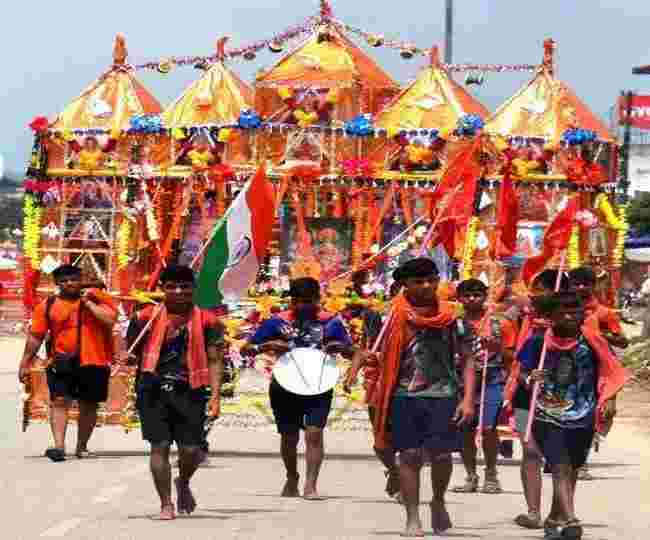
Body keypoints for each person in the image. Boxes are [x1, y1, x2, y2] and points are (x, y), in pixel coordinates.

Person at [363, 258, 476, 537]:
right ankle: (412, 517)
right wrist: (368, 361)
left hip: (444, 394)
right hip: (402, 395)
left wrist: (467, 400)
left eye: (431, 280)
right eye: (419, 282)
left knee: (442, 456)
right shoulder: (386, 315)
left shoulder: (454, 315)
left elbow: (468, 358)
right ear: (405, 284)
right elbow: (371, 351)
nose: (427, 286)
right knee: (409, 455)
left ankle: (438, 500)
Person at [518, 292, 627, 539]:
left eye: (575, 311)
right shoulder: (538, 342)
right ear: (551, 316)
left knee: (572, 468)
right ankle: (571, 519)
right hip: (547, 413)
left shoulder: (593, 341)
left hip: (583, 413)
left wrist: (610, 399)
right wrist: (530, 378)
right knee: (560, 465)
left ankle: (554, 518)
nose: (570, 316)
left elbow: (610, 371)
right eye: (563, 312)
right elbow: (521, 373)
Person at [241, 277, 357, 500]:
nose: (304, 305)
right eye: (299, 301)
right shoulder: (276, 322)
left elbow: (350, 350)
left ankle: (310, 485)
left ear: (318, 299)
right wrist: (266, 346)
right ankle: (292, 476)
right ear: (291, 301)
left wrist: (341, 352)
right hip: (284, 385)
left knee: (315, 433)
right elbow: (246, 349)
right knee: (289, 437)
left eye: (309, 301)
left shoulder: (331, 322)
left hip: (319, 384)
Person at [127, 265, 226, 520]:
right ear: (163, 289)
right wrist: (125, 357)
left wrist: (215, 397)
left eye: (185, 286)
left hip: (191, 390)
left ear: (194, 289)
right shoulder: (143, 318)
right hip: (152, 389)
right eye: (171, 287)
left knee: (191, 450)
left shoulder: (209, 321)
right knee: (159, 446)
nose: (179, 292)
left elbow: (215, 359)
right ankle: (166, 503)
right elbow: (129, 352)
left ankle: (183, 481)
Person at [19, 264, 117, 462]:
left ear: (81, 280)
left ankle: (82, 446)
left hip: (94, 361)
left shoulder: (99, 298)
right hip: (62, 360)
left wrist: (88, 304)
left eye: (73, 279)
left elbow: (109, 320)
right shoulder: (47, 305)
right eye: (64, 281)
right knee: (59, 401)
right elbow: (36, 336)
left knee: (89, 404)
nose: (69, 284)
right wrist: (25, 362)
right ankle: (59, 446)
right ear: (57, 283)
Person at [504, 269, 568, 529]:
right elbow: (518, 366)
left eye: (541, 289)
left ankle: (560, 512)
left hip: (562, 401)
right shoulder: (528, 325)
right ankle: (533, 512)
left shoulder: (578, 328)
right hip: (525, 398)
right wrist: (529, 378)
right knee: (530, 450)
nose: (535, 295)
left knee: (560, 458)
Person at [452, 279, 517, 495]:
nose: (472, 299)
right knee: (465, 429)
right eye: (467, 295)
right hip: (462, 382)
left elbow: (512, 355)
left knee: (489, 428)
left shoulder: (500, 323)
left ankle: (491, 474)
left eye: (477, 294)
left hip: (492, 379)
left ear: (485, 295)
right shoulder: (453, 324)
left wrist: (496, 347)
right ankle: (471, 475)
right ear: (459, 298)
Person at [568, 266, 629, 481]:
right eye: (576, 284)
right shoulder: (563, 310)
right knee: (570, 413)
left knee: (603, 413)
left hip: (599, 368)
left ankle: (584, 455)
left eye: (585, 284)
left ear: (593, 286)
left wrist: (598, 335)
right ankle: (572, 460)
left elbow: (623, 341)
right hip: (570, 369)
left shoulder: (604, 313)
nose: (580, 288)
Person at [345, 270, 400, 499]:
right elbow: (364, 348)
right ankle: (394, 470)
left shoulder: (426, 318)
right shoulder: (374, 315)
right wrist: (352, 372)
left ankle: (404, 478)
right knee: (380, 442)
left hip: (409, 383)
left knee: (406, 439)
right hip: (377, 382)